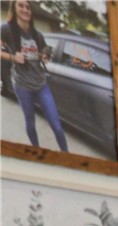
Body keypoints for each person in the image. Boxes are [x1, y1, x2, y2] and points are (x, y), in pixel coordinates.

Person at [2, 0, 67, 154]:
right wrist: (12, 57)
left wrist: (44, 56)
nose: (25, 9)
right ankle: (36, 152)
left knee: (57, 126)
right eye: (21, 6)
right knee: (30, 123)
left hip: (41, 84)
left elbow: (43, 52)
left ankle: (67, 155)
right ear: (14, 8)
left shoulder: (37, 34)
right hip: (22, 85)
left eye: (27, 7)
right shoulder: (7, 28)